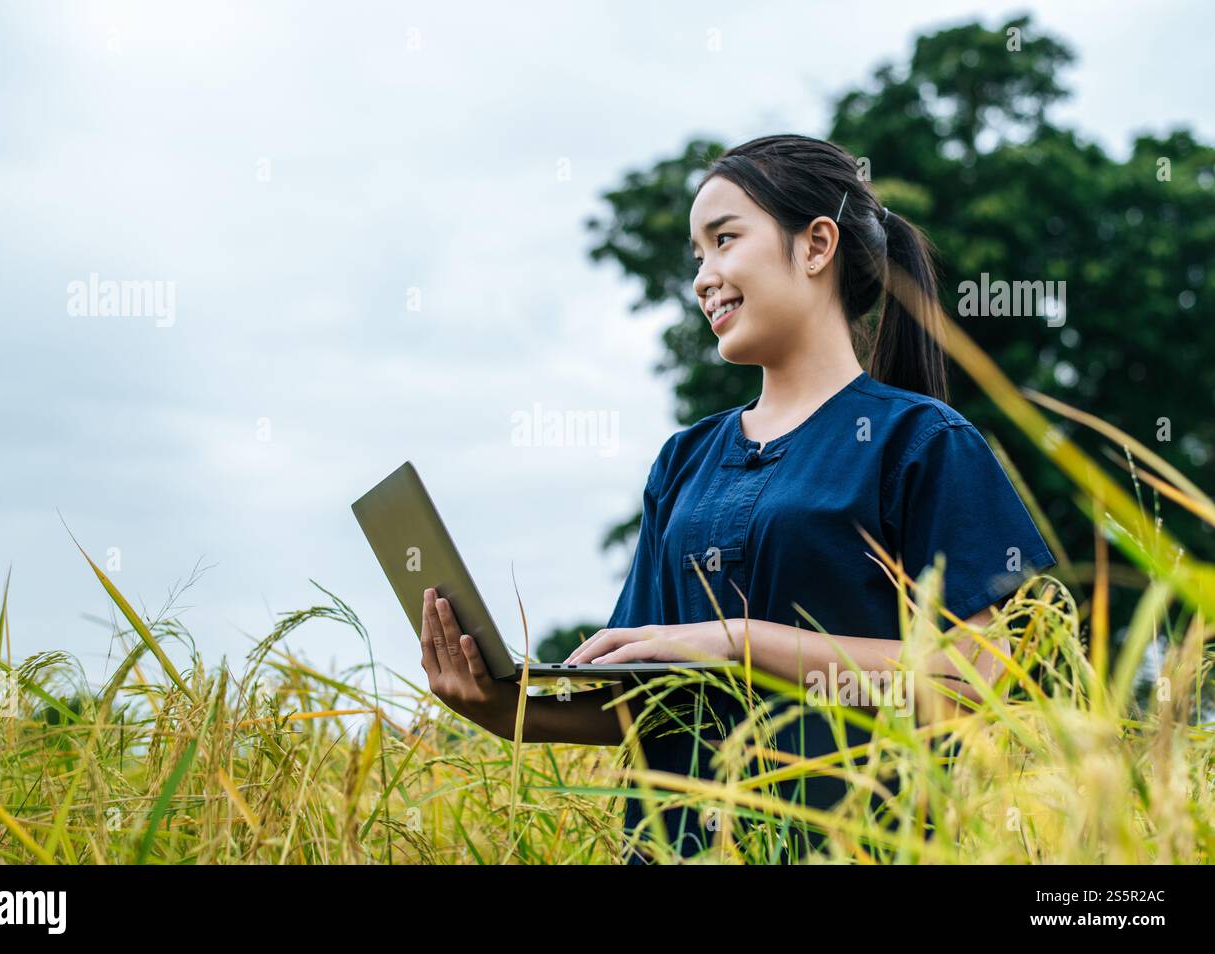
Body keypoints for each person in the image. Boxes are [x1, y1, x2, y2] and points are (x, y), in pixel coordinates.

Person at [417, 133, 1056, 864]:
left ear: (816, 245)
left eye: (725, 239)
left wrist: (736, 643)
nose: (703, 277)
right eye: (696, 256)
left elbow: (967, 683)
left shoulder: (923, 441)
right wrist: (506, 705)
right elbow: (642, 692)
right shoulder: (684, 461)